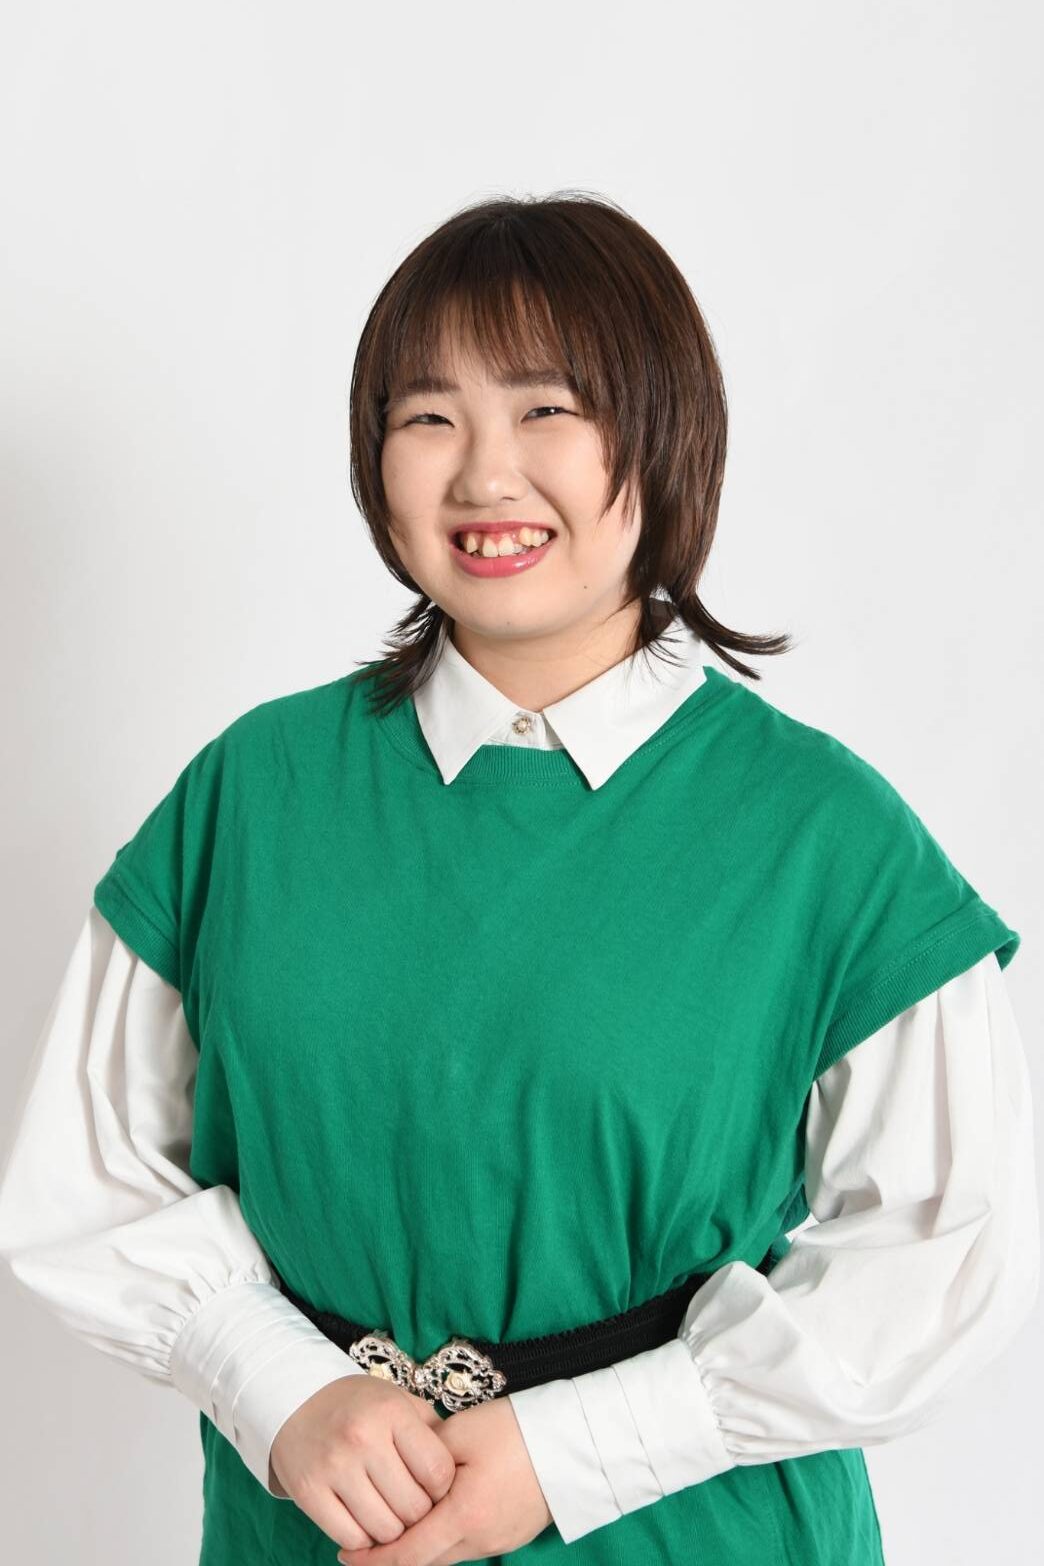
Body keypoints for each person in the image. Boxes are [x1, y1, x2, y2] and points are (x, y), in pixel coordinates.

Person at [0, 191, 1037, 1566]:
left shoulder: (822, 835)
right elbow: (86, 1174)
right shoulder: (254, 793)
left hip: (692, 1533)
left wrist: (578, 1449)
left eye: (549, 408)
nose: (486, 475)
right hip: (313, 1526)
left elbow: (941, 1253)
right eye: (429, 416)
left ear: (665, 435)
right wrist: (279, 1385)